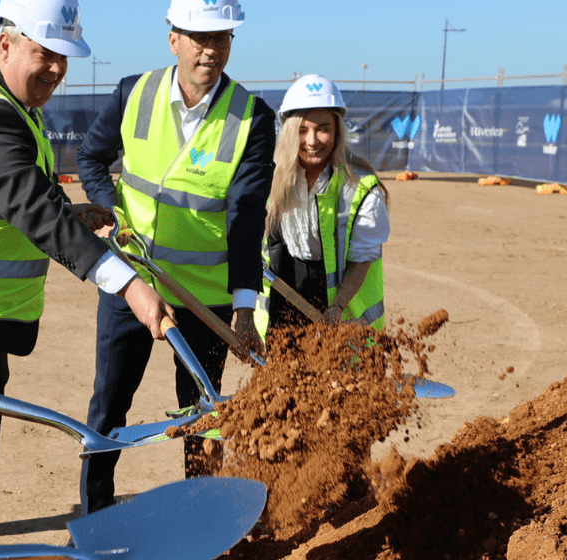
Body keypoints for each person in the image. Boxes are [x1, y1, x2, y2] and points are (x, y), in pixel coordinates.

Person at [0, 0, 174, 544]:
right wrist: (128, 284)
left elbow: (15, 197)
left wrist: (71, 213)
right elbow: (34, 208)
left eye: (63, 57)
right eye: (45, 53)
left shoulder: (8, 101)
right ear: (5, 44)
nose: (56, 68)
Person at [72, 0, 274, 514]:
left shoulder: (252, 117)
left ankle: (203, 511)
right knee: (109, 404)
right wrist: (111, 208)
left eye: (221, 38)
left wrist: (244, 308)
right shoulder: (133, 93)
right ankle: (96, 510)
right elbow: (91, 158)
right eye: (199, 38)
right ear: (174, 40)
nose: (211, 50)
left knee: (204, 412)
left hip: (204, 298)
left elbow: (247, 217)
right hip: (131, 284)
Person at [260, 74, 389, 332]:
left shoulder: (361, 188)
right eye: (302, 130)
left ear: (337, 130)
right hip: (282, 306)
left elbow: (361, 260)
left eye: (323, 129)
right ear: (288, 132)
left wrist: (338, 306)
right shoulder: (267, 179)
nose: (312, 141)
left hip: (341, 315)